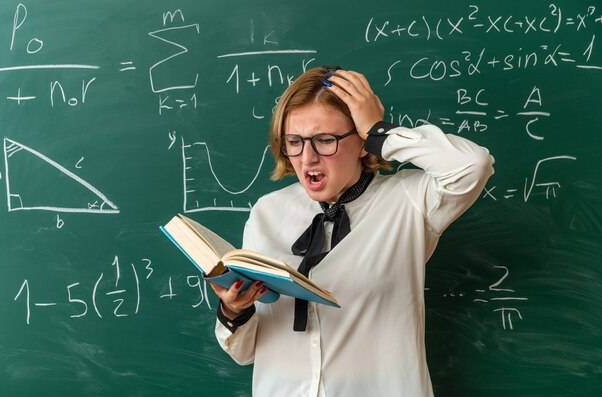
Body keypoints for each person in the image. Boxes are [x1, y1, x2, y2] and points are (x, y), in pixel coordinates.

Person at [208, 66, 495, 397]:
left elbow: (473, 165)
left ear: (362, 143)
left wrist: (379, 130)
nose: (307, 158)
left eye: (325, 140)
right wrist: (234, 311)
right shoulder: (266, 213)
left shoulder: (409, 201)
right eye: (295, 142)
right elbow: (244, 353)